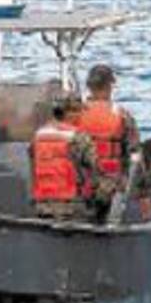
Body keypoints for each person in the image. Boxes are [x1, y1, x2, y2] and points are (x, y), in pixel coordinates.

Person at [29, 94, 101, 223]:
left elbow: (33, 167)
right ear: (69, 113)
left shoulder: (38, 135)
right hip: (72, 206)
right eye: (79, 111)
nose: (81, 115)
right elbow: (96, 168)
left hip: (43, 205)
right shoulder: (78, 136)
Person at [75, 64, 140, 201]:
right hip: (112, 188)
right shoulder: (122, 115)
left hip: (80, 187)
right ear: (110, 86)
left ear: (88, 86)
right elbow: (135, 154)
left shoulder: (75, 115)